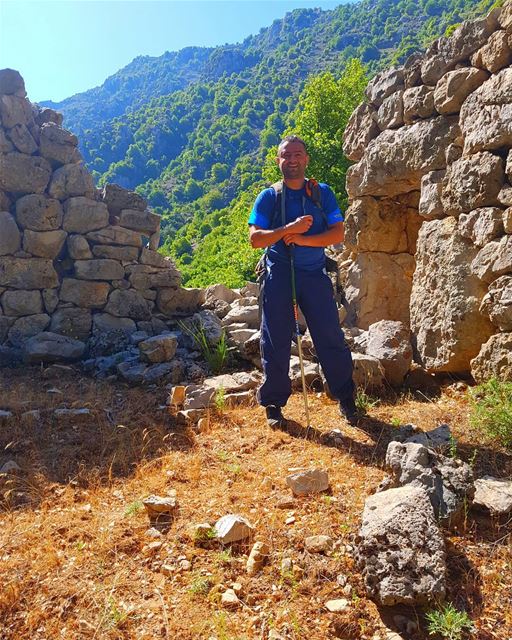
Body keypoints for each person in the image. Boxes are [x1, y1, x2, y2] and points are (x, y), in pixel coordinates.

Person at [248, 134, 358, 428]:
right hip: (279, 274)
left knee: (329, 335)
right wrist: (288, 230)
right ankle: (273, 403)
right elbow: (255, 239)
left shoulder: (321, 193)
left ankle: (345, 397)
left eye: (297, 155)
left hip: (313, 273)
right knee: (275, 339)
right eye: (287, 156)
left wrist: (304, 240)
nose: (292, 160)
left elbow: (338, 233)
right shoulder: (269, 197)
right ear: (278, 160)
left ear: (306, 159)